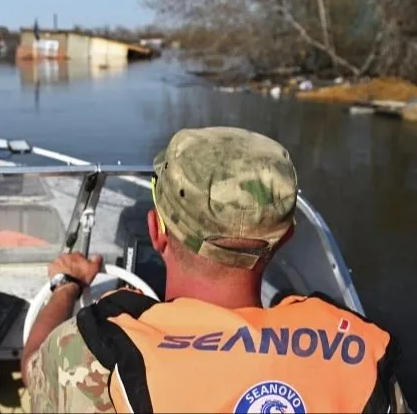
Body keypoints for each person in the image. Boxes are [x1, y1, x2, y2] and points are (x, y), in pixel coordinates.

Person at [21, 126, 408, 413]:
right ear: (286, 239)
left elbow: (33, 370)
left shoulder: (97, 350)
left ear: (157, 231)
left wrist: (67, 283)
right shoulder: (363, 357)